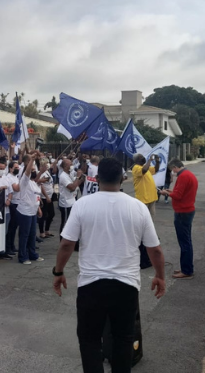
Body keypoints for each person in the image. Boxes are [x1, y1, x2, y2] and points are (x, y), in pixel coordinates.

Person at [53, 158, 166, 373]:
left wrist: (58, 272)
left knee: (89, 341)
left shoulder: (82, 204)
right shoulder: (138, 207)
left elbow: (67, 244)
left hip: (91, 285)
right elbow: (155, 249)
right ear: (122, 178)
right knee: (123, 340)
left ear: (97, 178)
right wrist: (160, 276)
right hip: (126, 286)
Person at [160, 159, 199, 280]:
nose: (172, 172)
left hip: (183, 211)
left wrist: (165, 193)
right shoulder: (189, 174)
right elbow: (181, 192)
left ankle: (187, 270)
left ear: (175, 167)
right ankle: (186, 267)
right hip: (187, 209)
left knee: (184, 242)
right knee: (186, 241)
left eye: (172, 170)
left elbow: (178, 195)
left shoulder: (183, 177)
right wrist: (171, 191)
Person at [17, 151, 44, 265]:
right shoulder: (24, 181)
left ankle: (32, 254)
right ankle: (23, 256)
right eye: (32, 170)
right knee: (24, 235)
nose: (33, 171)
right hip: (25, 212)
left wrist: (38, 208)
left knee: (32, 234)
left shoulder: (33, 183)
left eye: (34, 170)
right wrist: (32, 159)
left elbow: (36, 196)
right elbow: (27, 172)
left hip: (33, 212)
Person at [58, 159, 85, 235]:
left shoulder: (69, 174)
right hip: (66, 203)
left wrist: (81, 179)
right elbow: (72, 187)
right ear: (65, 166)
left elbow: (75, 184)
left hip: (72, 201)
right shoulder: (63, 176)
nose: (72, 165)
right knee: (65, 222)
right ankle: (63, 239)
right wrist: (77, 177)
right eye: (70, 164)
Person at [5, 161, 21, 257]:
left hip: (18, 202)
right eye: (15, 167)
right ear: (10, 168)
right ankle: (8, 247)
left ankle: (12, 245)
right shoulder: (9, 178)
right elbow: (16, 189)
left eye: (18, 167)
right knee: (10, 227)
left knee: (14, 226)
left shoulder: (16, 177)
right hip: (12, 203)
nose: (17, 169)